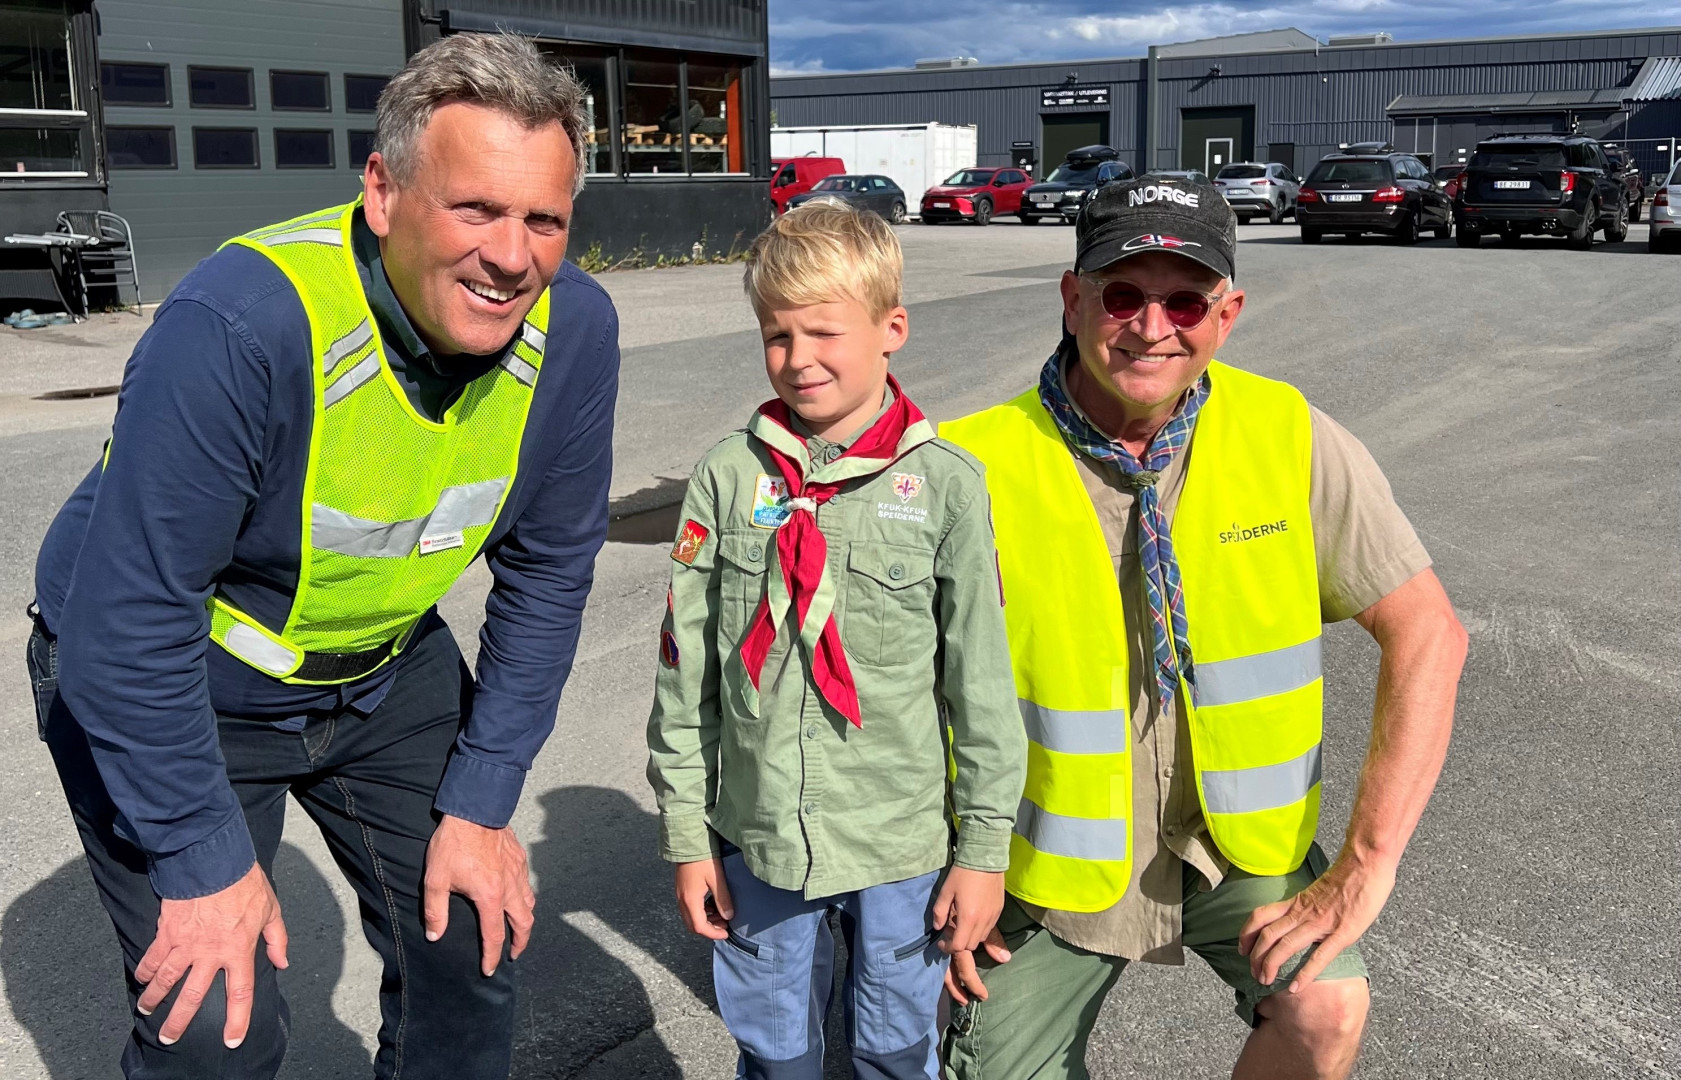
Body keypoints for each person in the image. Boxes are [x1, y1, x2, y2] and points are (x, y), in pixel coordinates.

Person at [25, 33, 618, 1079]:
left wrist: (482, 804)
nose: (512, 256)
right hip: (177, 674)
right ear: (383, 192)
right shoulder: (241, 326)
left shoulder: (572, 332)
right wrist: (202, 861)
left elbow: (549, 573)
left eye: (544, 220)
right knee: (217, 1024)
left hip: (383, 667)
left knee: (470, 939)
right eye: (475, 209)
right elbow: (132, 621)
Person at [938, 176, 1468, 1079]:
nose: (1152, 327)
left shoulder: (1286, 435)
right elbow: (890, 684)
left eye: (1184, 301)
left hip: (1235, 847)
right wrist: (937, 871)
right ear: (1072, 300)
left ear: (1226, 315)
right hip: (1043, 870)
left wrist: (1363, 867)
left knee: (1326, 1007)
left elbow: (1429, 634)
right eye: (1121, 294)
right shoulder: (967, 462)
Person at [646, 200, 1027, 1079]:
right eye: (776, 336)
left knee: (894, 1050)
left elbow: (980, 687)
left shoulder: (945, 487)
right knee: (774, 1055)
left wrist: (982, 854)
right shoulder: (726, 476)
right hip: (760, 836)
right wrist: (688, 836)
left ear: (891, 329)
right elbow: (686, 674)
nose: (797, 358)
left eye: (823, 331)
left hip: (897, 841)